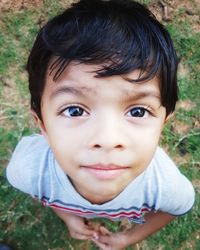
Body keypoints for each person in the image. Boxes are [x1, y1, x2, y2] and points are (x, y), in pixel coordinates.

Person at [6, 0, 195, 249]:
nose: (107, 139)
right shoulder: (27, 171)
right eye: (74, 110)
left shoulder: (167, 189)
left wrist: (129, 237)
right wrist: (67, 215)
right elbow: (40, 194)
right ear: (42, 126)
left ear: (162, 125)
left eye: (138, 111)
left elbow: (173, 210)